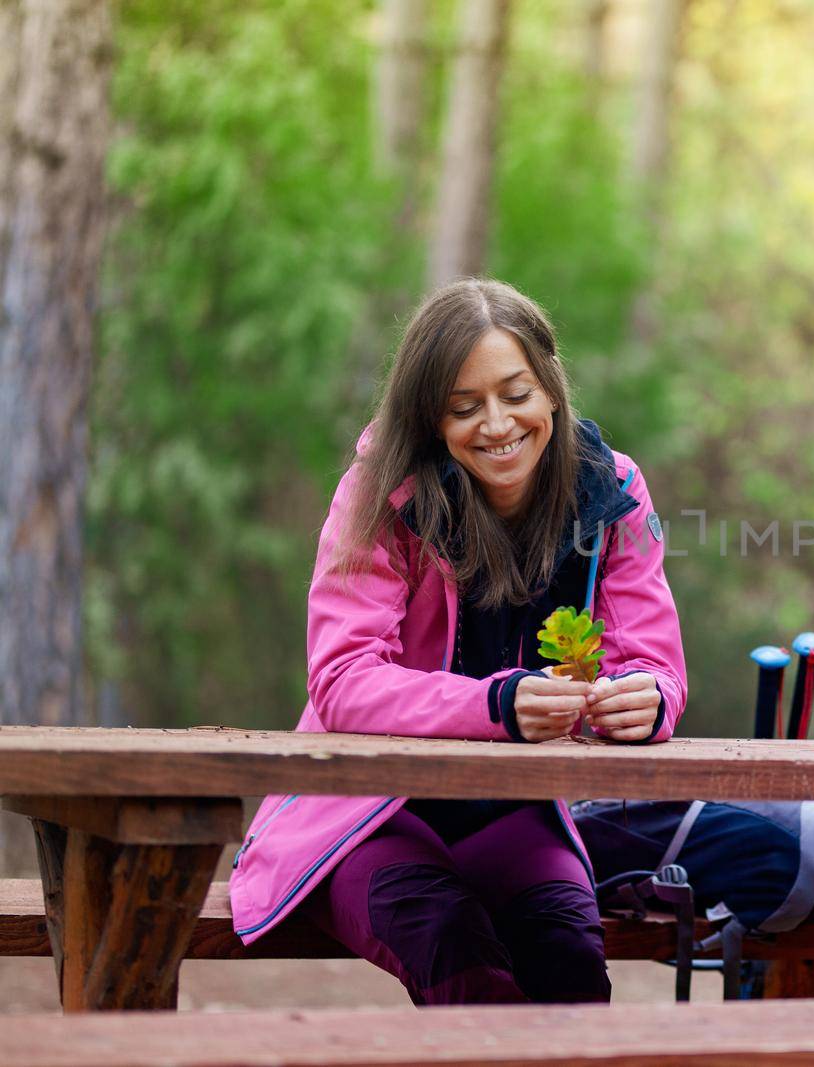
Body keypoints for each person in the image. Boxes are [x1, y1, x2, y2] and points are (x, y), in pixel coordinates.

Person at [227, 278, 688, 1005]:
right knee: (460, 958)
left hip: (513, 813)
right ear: (428, 417)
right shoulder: (382, 495)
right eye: (463, 406)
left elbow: (654, 661)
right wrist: (496, 705)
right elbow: (343, 678)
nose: (497, 423)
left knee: (570, 969)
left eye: (516, 393)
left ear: (552, 391)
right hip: (369, 816)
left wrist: (650, 699)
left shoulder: (614, 492)